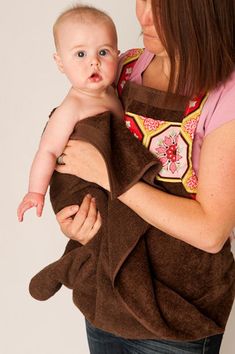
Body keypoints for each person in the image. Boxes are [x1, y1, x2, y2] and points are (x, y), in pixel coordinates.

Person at [32, 1, 235, 353]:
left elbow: (210, 233)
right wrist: (77, 218)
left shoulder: (227, 95)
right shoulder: (121, 66)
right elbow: (75, 159)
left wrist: (112, 177)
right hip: (106, 295)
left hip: (176, 317)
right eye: (142, 0)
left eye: (162, 9)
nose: (143, 18)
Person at [17, 5, 122, 222]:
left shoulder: (115, 92)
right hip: (89, 192)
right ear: (60, 62)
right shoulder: (72, 107)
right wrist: (36, 191)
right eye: (80, 54)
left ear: (117, 55)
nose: (94, 61)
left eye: (103, 52)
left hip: (116, 181)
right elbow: (48, 151)